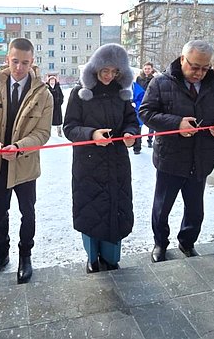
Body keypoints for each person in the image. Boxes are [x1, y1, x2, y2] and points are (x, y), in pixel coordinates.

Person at [139, 40, 214, 262]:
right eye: (194, 67)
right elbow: (145, 113)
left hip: (201, 157)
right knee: (162, 207)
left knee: (195, 209)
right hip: (170, 158)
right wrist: (176, 124)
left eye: (205, 68)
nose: (199, 73)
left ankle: (187, 242)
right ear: (182, 59)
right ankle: (160, 244)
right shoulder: (160, 82)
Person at [0, 38, 53, 284]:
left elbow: (42, 133)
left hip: (25, 165)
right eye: (15, 61)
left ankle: (25, 256)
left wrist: (19, 148)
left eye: (25, 62)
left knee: (27, 213)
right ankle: (1, 254)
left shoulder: (43, 94)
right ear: (7, 59)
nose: (19, 67)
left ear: (33, 62)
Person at [63, 44, 138, 273]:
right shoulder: (80, 93)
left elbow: (132, 120)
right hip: (89, 164)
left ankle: (111, 257)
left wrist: (130, 134)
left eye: (114, 71)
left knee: (116, 208)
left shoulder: (122, 94)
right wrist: (91, 135)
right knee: (91, 211)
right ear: (95, 68)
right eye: (104, 70)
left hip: (116, 162)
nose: (108, 76)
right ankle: (92, 257)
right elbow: (69, 128)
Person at [134, 62, 156, 152]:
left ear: (152, 69)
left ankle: (150, 140)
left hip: (151, 102)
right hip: (140, 102)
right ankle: (137, 145)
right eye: (145, 68)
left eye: (149, 69)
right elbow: (136, 90)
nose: (147, 70)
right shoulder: (139, 78)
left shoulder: (154, 79)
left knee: (151, 122)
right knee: (138, 123)